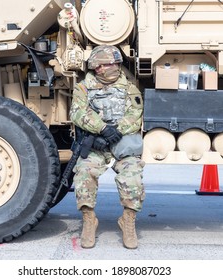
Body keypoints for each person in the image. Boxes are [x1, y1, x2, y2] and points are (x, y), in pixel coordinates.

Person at [69, 45, 145, 249]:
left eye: (114, 64)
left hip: (122, 146)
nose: (111, 68)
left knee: (133, 177)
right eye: (106, 65)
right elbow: (77, 112)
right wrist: (102, 129)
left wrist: (115, 131)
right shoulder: (83, 88)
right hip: (96, 145)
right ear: (97, 67)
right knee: (83, 174)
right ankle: (89, 220)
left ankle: (128, 221)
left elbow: (135, 115)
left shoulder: (129, 87)